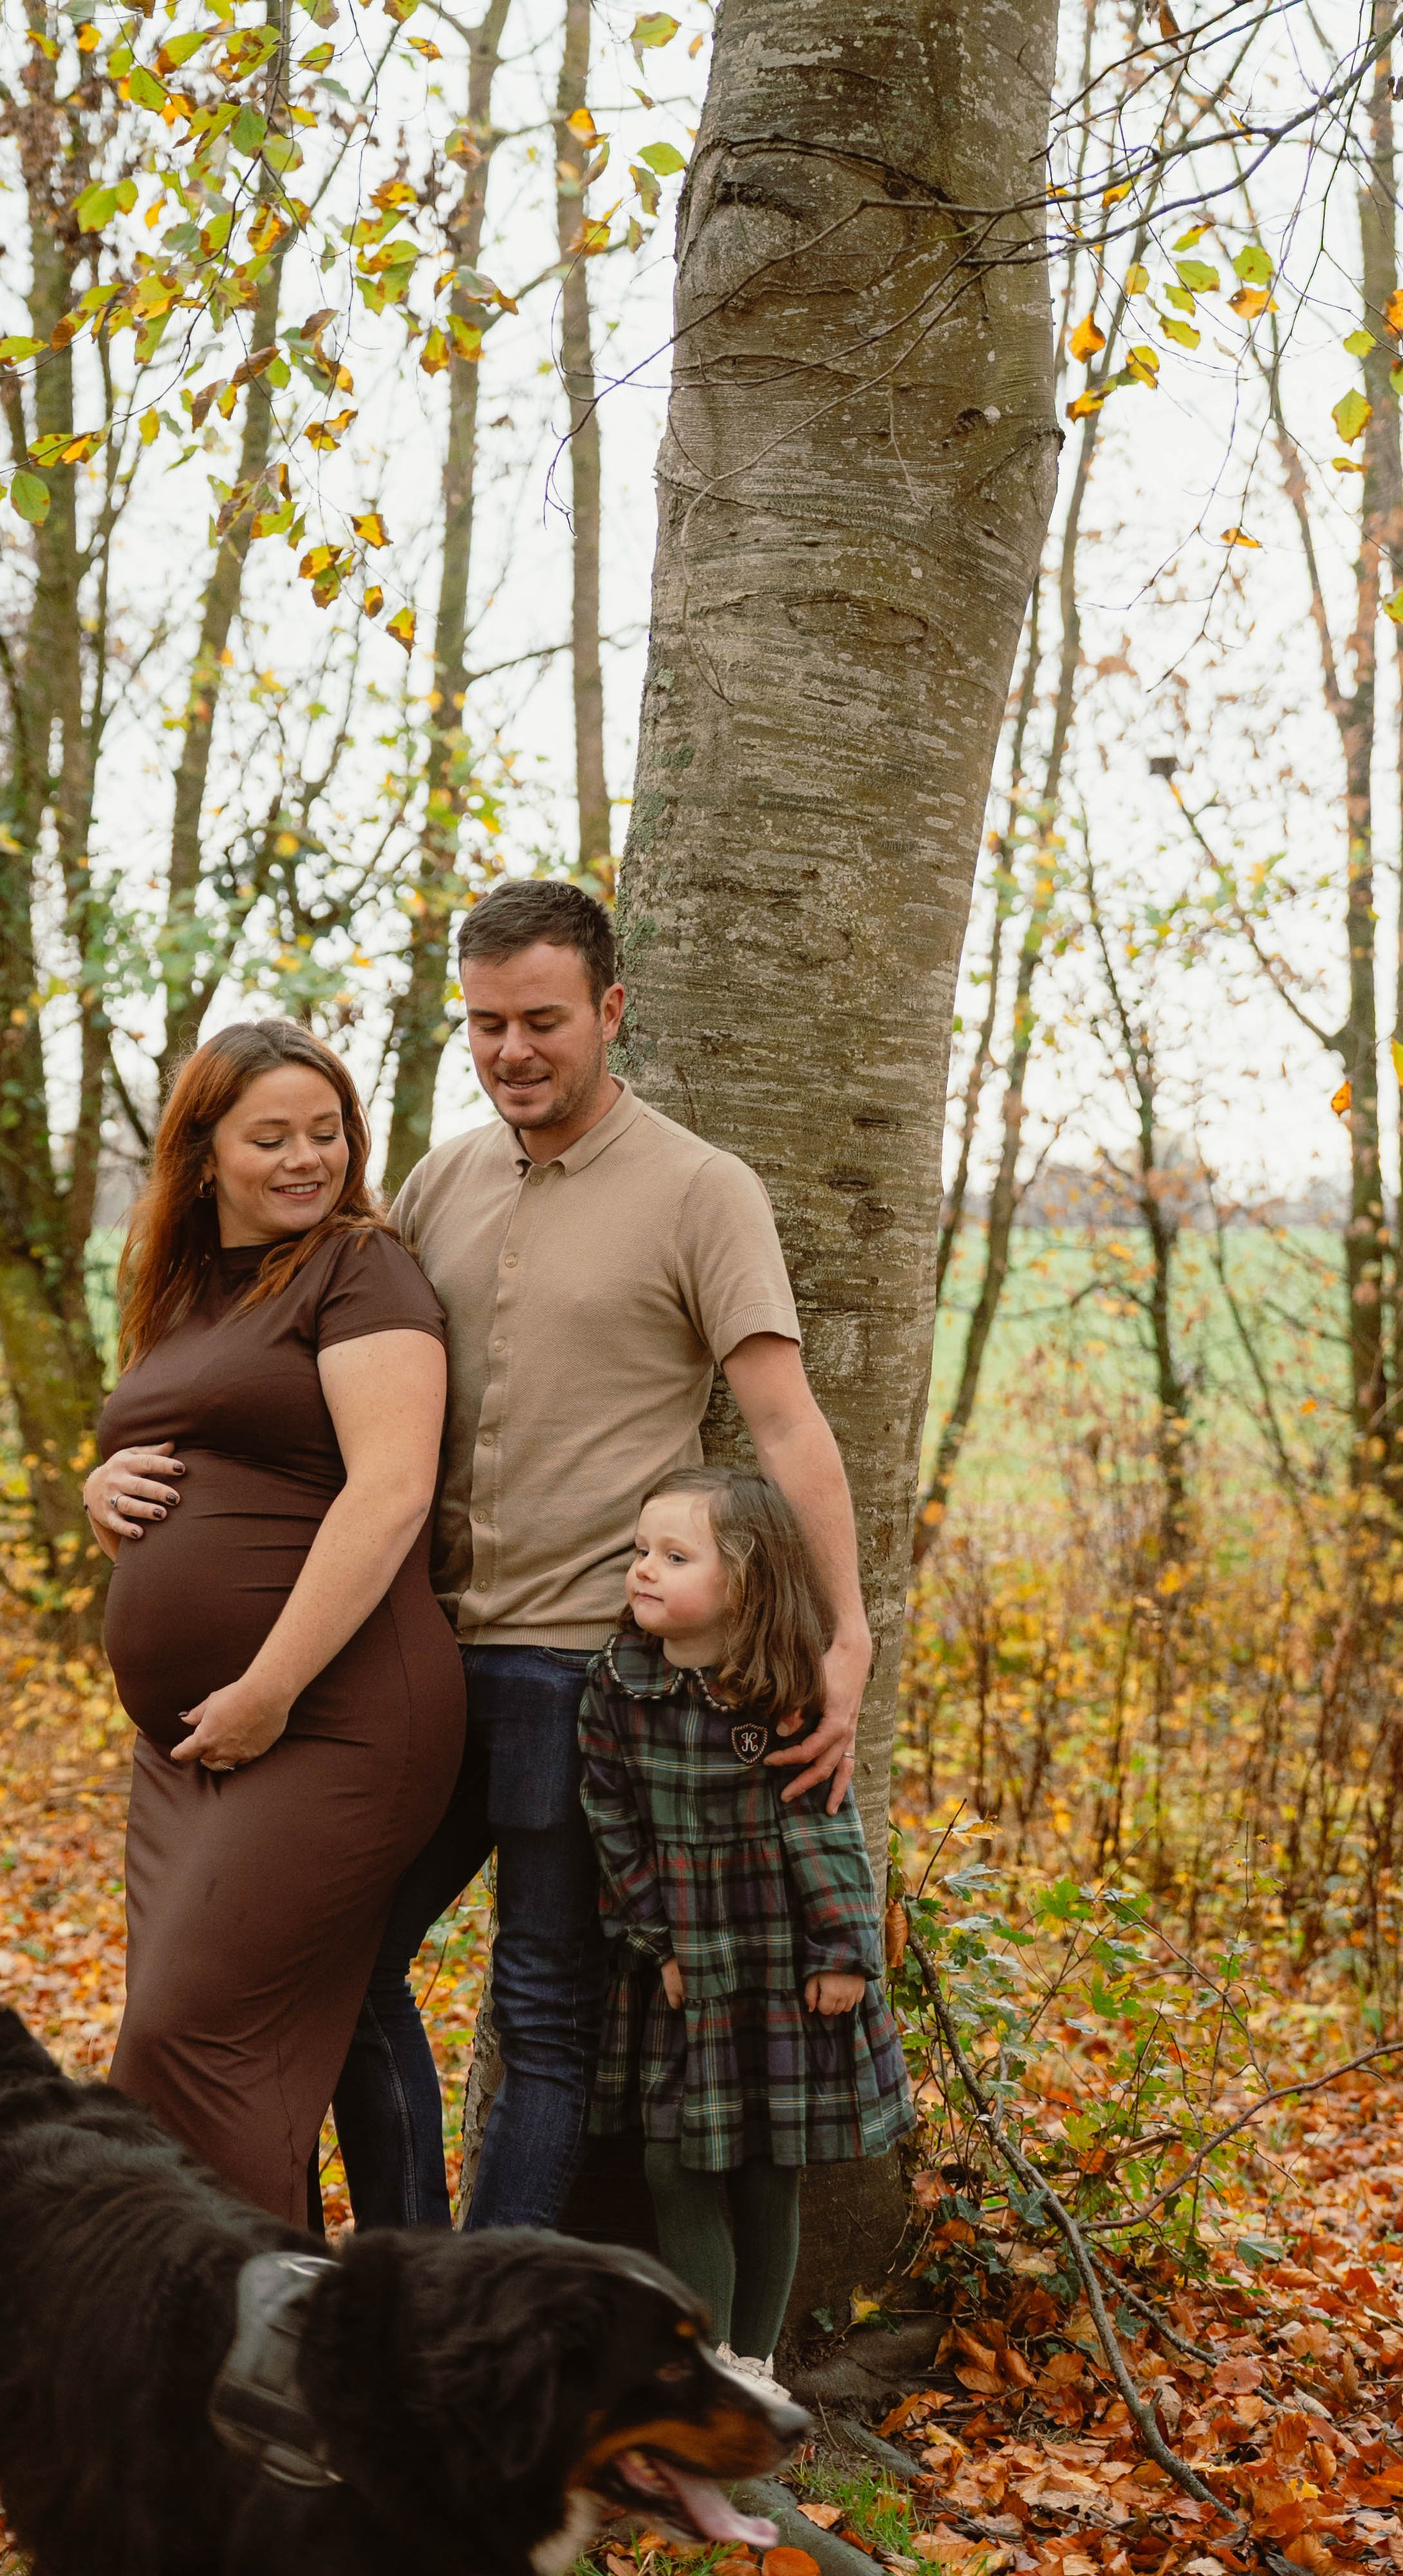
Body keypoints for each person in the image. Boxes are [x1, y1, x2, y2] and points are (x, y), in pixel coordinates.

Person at [330, 877, 876, 2233]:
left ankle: (484, 2323)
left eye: (542, 1020)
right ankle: (407, 2272)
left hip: (586, 1673)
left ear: (610, 1012)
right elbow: (340, 1377)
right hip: (418, 1652)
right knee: (339, 1957)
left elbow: (783, 1420)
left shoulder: (701, 1189)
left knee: (543, 2011)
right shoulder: (442, 1177)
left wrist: (845, 1636)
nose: (513, 1050)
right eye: (485, 1023)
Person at [83, 1019, 465, 2227]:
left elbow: (391, 1486)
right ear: (203, 1156)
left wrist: (272, 1686)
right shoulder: (186, 1286)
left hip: (335, 1712)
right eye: (271, 1136)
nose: (307, 1157)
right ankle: (238, 2330)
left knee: (183, 2033)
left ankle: (244, 2337)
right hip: (189, 1747)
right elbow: (179, 1441)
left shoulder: (360, 1269)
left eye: (327, 1130)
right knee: (223, 2050)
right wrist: (98, 1489)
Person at [579, 1466, 914, 2377]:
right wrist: (655, 1943)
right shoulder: (619, 1684)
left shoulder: (784, 1692)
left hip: (780, 1962)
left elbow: (828, 1823)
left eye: (675, 1556)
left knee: (771, 2170)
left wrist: (845, 1949)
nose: (644, 1569)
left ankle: (748, 2367)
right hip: (685, 1963)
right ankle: (702, 2363)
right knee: (669, 2164)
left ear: (748, 1582)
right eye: (640, 1551)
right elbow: (609, 1822)